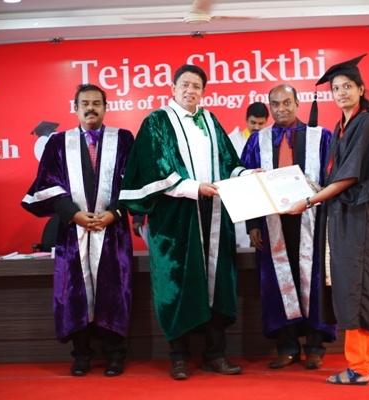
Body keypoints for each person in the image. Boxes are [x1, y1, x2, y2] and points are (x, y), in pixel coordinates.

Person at [119, 64, 248, 380]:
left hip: (213, 214)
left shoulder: (210, 120)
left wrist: (245, 174)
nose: (191, 90)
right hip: (175, 218)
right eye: (185, 85)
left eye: (197, 86)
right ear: (173, 88)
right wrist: (193, 187)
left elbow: (228, 160)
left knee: (217, 282)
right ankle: (178, 356)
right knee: (177, 283)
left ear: (203, 92)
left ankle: (215, 354)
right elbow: (156, 166)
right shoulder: (157, 121)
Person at [287, 54, 369, 385]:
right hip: (351, 219)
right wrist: (314, 189)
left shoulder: (365, 124)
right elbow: (339, 175)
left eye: (348, 86)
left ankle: (358, 368)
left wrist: (309, 200)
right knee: (361, 286)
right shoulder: (344, 125)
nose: (341, 92)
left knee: (354, 288)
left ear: (361, 89)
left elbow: (349, 177)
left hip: (361, 222)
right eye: (336, 88)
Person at [22, 84, 134, 377]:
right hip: (73, 232)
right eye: (85, 103)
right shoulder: (59, 143)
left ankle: (115, 355)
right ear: (75, 108)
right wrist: (74, 214)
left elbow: (133, 182)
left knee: (113, 290)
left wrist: (114, 213)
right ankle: (81, 355)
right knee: (75, 292)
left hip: (113, 232)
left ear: (106, 107)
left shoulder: (123, 140)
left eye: (97, 103)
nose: (91, 108)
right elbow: (47, 184)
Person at [241, 84, 335, 371]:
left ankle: (315, 347)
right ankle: (287, 346)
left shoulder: (321, 137)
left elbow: (334, 179)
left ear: (297, 103)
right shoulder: (258, 140)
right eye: (275, 104)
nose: (281, 109)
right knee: (279, 283)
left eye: (286, 102)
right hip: (273, 224)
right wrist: (252, 225)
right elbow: (246, 182)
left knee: (314, 282)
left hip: (313, 222)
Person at [228, 102, 270, 248]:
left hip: (263, 206)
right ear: (246, 120)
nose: (256, 127)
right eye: (253, 122)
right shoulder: (232, 141)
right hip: (238, 205)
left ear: (267, 122)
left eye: (261, 123)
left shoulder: (270, 142)